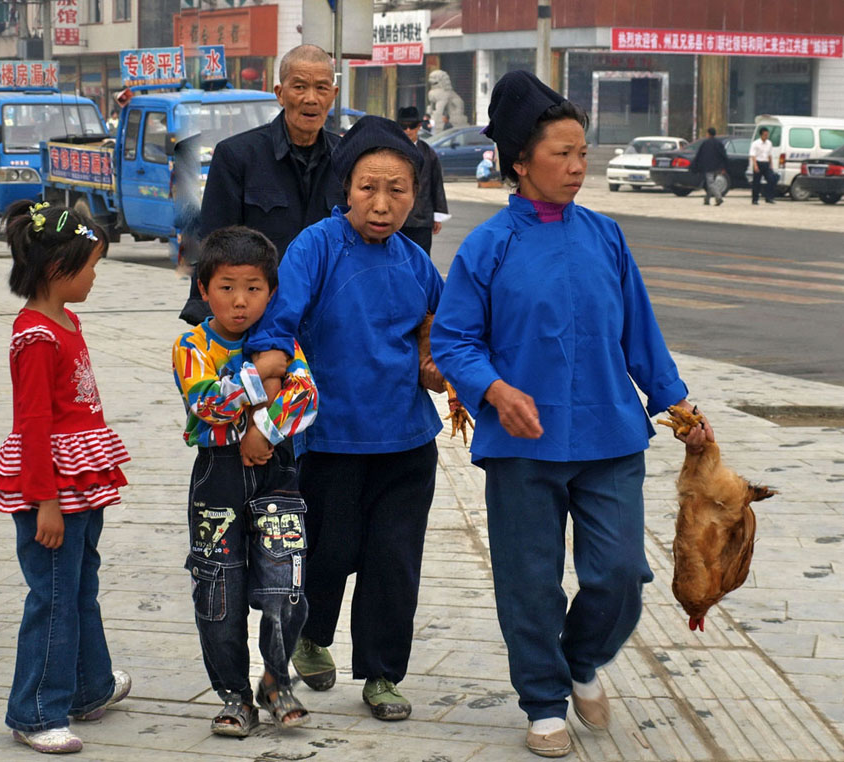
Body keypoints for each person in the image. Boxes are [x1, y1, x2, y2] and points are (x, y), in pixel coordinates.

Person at [430, 71, 714, 759]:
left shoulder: (606, 237)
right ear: (521, 161)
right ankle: (543, 701)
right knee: (528, 581)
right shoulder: (488, 246)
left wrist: (676, 403)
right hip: (522, 447)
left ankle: (580, 658)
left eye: (583, 151)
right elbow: (454, 341)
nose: (578, 166)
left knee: (620, 573)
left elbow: (638, 333)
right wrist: (494, 391)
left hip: (609, 434)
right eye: (562, 152)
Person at [246, 116, 445, 722]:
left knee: (394, 560)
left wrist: (445, 370)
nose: (383, 204)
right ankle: (312, 636)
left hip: (407, 440)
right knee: (328, 551)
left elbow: (440, 338)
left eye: (398, 190)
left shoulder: (415, 261)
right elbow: (279, 322)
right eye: (368, 188)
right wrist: (264, 403)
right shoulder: (317, 246)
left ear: (415, 195)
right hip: (329, 437)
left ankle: (383, 673)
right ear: (345, 187)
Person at [0, 200, 132, 755]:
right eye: (91, 265)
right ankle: (35, 711)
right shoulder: (35, 337)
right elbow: (31, 424)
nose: (96, 275)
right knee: (53, 596)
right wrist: (43, 502)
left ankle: (88, 687)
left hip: (82, 478)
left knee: (80, 586)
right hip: (52, 486)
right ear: (58, 269)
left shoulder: (65, 320)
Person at [172, 227, 319, 736]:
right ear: (204, 290)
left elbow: (305, 399)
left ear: (271, 292)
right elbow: (206, 402)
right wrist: (261, 376)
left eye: (253, 288)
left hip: (277, 476)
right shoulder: (191, 345)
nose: (240, 301)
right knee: (219, 589)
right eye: (227, 287)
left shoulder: (285, 343)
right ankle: (234, 694)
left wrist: (262, 431)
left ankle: (275, 681)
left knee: (288, 585)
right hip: (217, 480)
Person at [180, 44, 344, 325]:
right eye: (300, 87)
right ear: (280, 94)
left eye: (321, 88)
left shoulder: (346, 159)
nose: (311, 99)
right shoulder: (237, 155)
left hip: (329, 318)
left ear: (333, 95)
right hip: (259, 319)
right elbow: (214, 244)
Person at [397, 105, 449, 255]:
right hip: (396, 217)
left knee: (421, 259)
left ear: (419, 126)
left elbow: (436, 184)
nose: (408, 131)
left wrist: (438, 216)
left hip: (422, 220)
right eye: (404, 126)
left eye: (412, 126)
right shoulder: (391, 151)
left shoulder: (429, 153)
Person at [690, 127, 729, 206]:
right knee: (710, 183)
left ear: (708, 134)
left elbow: (699, 156)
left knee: (710, 183)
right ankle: (707, 199)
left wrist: (695, 166)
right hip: (717, 167)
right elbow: (723, 155)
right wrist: (723, 167)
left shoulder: (705, 143)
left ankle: (718, 197)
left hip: (708, 167)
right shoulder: (719, 143)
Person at [750, 127, 777, 205]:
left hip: (766, 163)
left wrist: (771, 165)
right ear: (761, 135)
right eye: (765, 135)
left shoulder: (769, 143)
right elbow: (753, 155)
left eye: (767, 135)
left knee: (771, 179)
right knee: (756, 182)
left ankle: (769, 198)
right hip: (758, 163)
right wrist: (755, 165)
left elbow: (770, 154)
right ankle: (755, 199)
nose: (766, 136)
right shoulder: (755, 143)